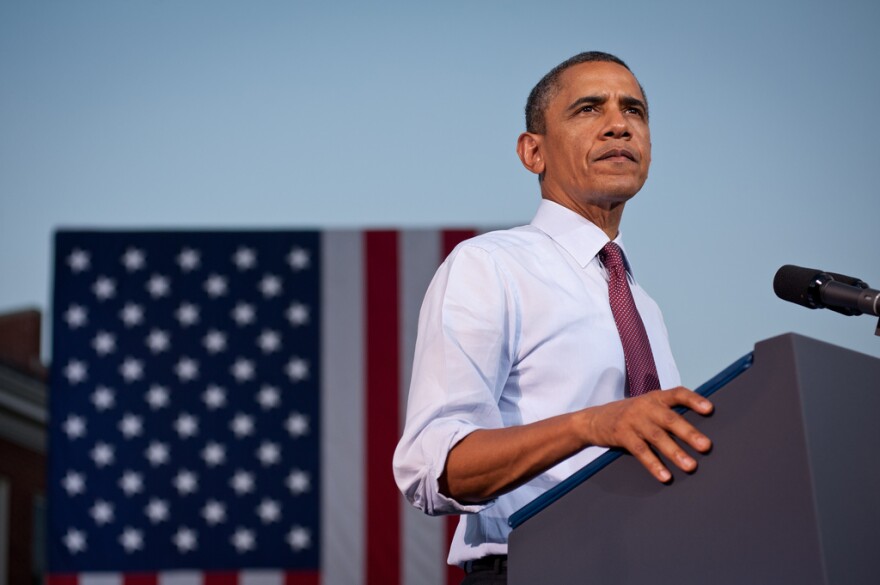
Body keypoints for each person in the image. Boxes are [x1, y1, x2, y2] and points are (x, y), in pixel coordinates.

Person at [392, 51, 714, 584]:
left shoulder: (644, 306)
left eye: (634, 111)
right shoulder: (491, 265)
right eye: (589, 109)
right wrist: (590, 425)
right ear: (532, 152)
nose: (618, 125)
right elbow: (433, 467)